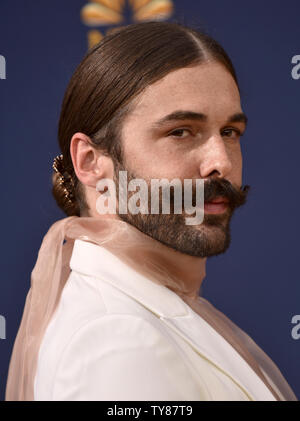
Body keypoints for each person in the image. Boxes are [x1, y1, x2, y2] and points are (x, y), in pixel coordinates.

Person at [5, 21, 297, 401]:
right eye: (181, 132)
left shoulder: (158, 307)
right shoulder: (116, 339)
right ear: (91, 161)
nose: (221, 163)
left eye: (229, 132)